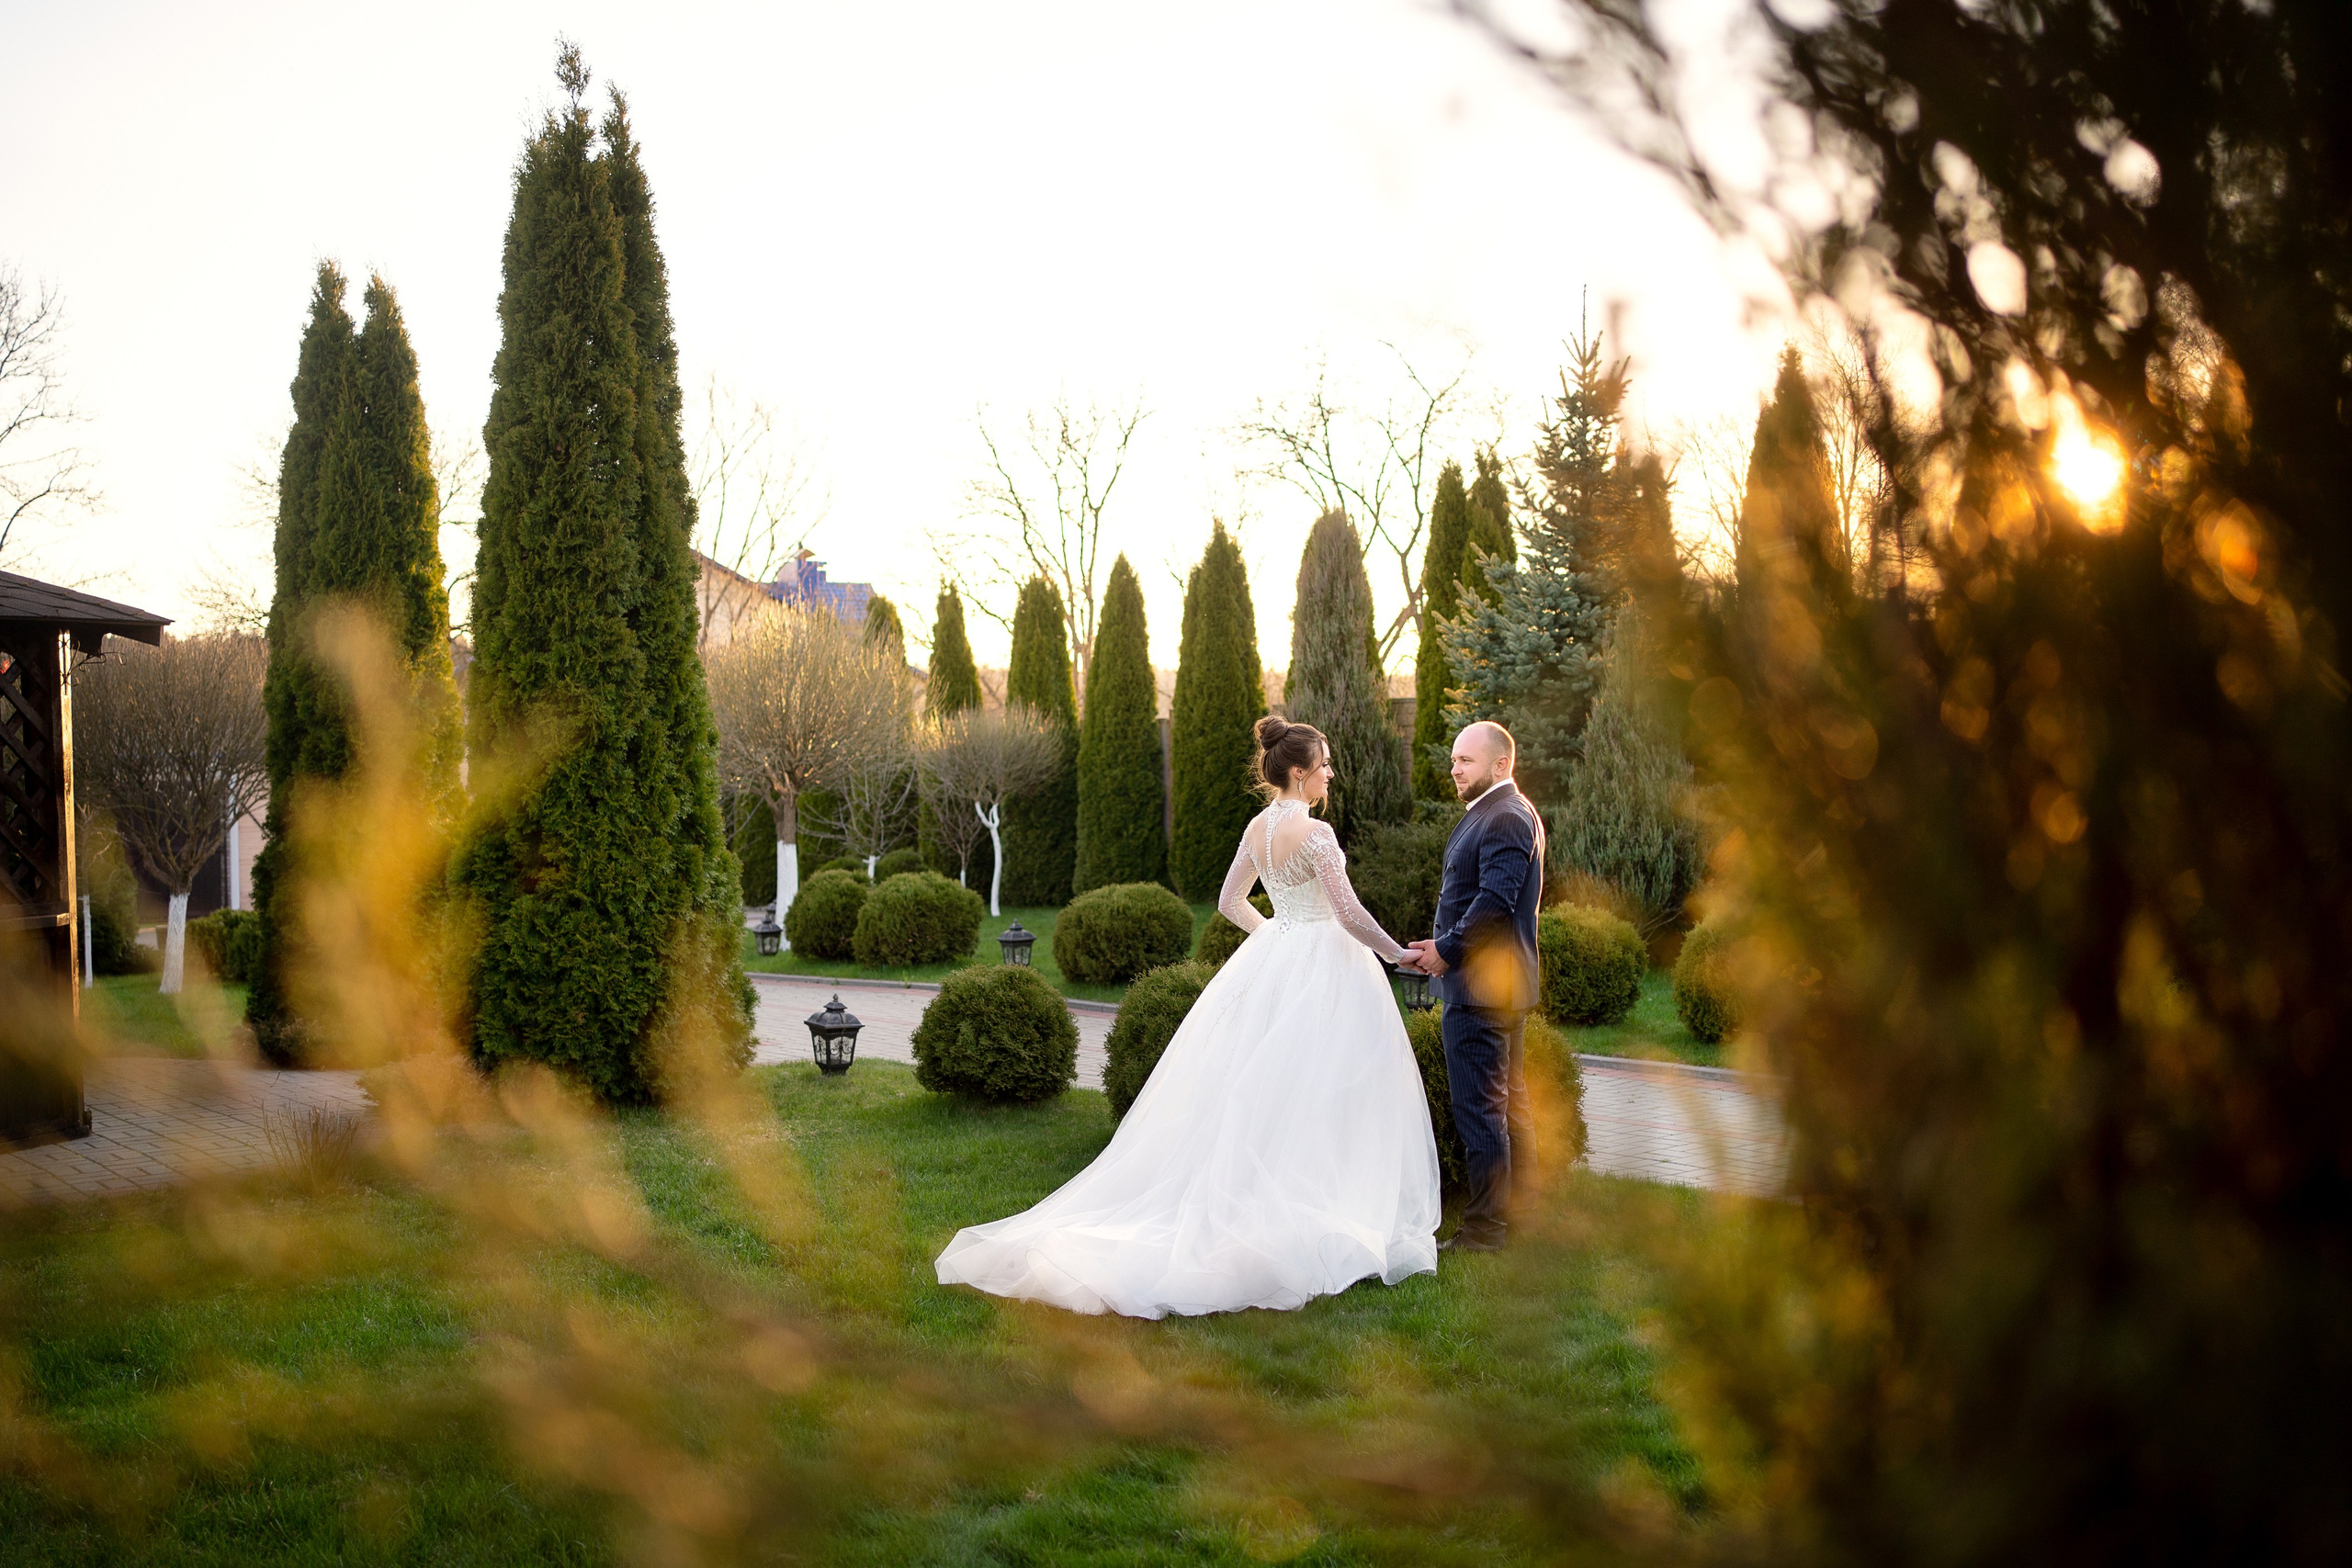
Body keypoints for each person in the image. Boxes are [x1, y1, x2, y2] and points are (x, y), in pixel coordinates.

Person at [934, 716, 1440, 1318]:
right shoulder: (1317, 835)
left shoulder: (1257, 828)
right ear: (1301, 772)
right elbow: (1349, 913)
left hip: (1279, 961)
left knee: (1271, 1088)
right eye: (1325, 763)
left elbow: (1229, 902)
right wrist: (1397, 953)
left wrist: (1278, 936)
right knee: (1325, 1087)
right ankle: (1319, 1207)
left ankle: (1283, 1203)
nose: (1331, 771)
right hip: (1327, 966)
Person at [1404, 721, 1544, 1252]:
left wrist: (1446, 950)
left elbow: (1494, 902)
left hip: (1482, 991)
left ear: (1500, 764)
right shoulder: (1496, 812)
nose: (1454, 768)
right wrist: (1437, 943)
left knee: (1481, 1109)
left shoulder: (1505, 815)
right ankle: (1522, 1214)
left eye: (1465, 760)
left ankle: (1486, 1229)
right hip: (1497, 986)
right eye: (1455, 759)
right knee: (1509, 1105)